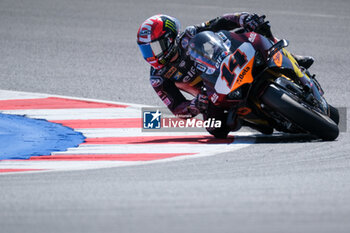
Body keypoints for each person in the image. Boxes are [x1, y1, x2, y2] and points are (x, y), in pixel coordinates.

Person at [137, 13, 314, 138]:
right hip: (212, 96)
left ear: (170, 38)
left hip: (230, 66)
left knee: (258, 28)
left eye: (155, 47)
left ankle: (291, 57)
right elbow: (177, 109)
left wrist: (243, 18)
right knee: (215, 130)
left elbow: (221, 21)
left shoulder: (189, 35)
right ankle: (249, 119)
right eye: (146, 50)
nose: (151, 55)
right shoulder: (159, 77)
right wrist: (195, 105)